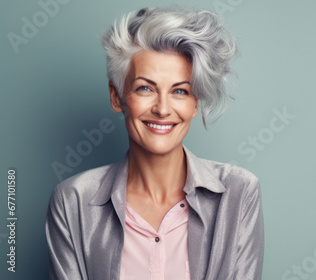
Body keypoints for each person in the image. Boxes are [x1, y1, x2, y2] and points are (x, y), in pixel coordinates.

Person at [45, 7, 264, 280]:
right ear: (117, 97)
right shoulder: (72, 200)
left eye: (180, 91)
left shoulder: (239, 193)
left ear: (195, 103)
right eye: (145, 88)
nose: (162, 108)